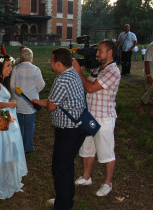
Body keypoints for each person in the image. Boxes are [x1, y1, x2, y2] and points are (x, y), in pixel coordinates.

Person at [32, 48, 86, 209]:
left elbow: (52, 107)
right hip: (77, 128)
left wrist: (45, 104)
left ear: (59, 64)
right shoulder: (73, 74)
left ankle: (62, 204)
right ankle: (67, 198)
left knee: (60, 168)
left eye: (51, 61)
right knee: (67, 165)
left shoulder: (61, 80)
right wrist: (42, 101)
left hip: (68, 131)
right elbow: (61, 100)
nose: (50, 63)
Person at [72, 40, 121, 197]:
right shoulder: (99, 68)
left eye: (100, 51)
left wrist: (79, 72)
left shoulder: (112, 71)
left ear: (110, 52)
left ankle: (108, 183)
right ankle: (86, 177)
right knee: (87, 149)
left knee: (106, 153)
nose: (97, 54)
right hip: (90, 115)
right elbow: (86, 84)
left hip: (104, 118)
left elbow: (91, 88)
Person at [0, 54, 28, 199]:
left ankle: (10, 178)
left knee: (9, 150)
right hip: (1, 122)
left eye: (11, 66)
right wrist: (10, 103)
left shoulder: (1, 82)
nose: (10, 68)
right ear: (0, 67)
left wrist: (8, 102)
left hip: (7, 120)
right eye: (8, 66)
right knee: (4, 150)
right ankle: (3, 180)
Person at [10, 48, 45, 153]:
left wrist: (15, 95)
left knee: (20, 124)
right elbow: (41, 85)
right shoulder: (36, 69)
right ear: (31, 56)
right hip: (32, 101)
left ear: (22, 56)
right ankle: (28, 146)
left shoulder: (16, 68)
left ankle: (20, 145)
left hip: (18, 100)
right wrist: (34, 91)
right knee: (30, 125)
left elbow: (12, 85)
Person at [138, 42, 153, 117]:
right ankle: (141, 105)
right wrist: (149, 76)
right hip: (150, 72)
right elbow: (146, 63)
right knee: (150, 91)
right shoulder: (151, 46)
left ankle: (151, 109)